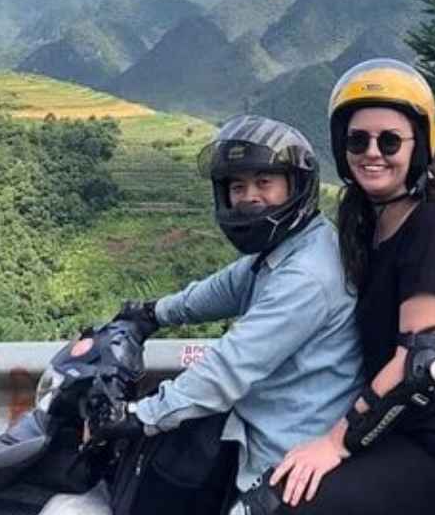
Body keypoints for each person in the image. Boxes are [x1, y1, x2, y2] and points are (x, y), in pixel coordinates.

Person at [267, 59, 435, 514]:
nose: (372, 152)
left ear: (419, 146)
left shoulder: (433, 228)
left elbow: (422, 366)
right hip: (409, 436)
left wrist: (334, 443)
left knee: (288, 503)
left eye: (389, 140)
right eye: (357, 139)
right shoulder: (372, 223)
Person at [88, 114, 363, 512]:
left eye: (264, 182)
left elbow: (229, 367)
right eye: (238, 185)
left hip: (288, 460)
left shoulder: (308, 276)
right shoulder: (285, 251)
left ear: (295, 186)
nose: (249, 196)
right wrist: (151, 313)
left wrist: (138, 416)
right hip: (257, 434)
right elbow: (223, 288)